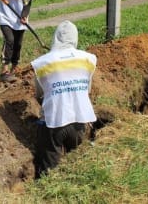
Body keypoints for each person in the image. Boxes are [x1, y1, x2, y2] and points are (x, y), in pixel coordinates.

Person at [30, 20, 97, 178]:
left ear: (55, 38)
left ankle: (47, 186)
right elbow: (87, 90)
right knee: (76, 163)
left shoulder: (43, 63)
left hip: (54, 124)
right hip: (79, 122)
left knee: (48, 171)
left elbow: (40, 95)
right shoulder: (87, 59)